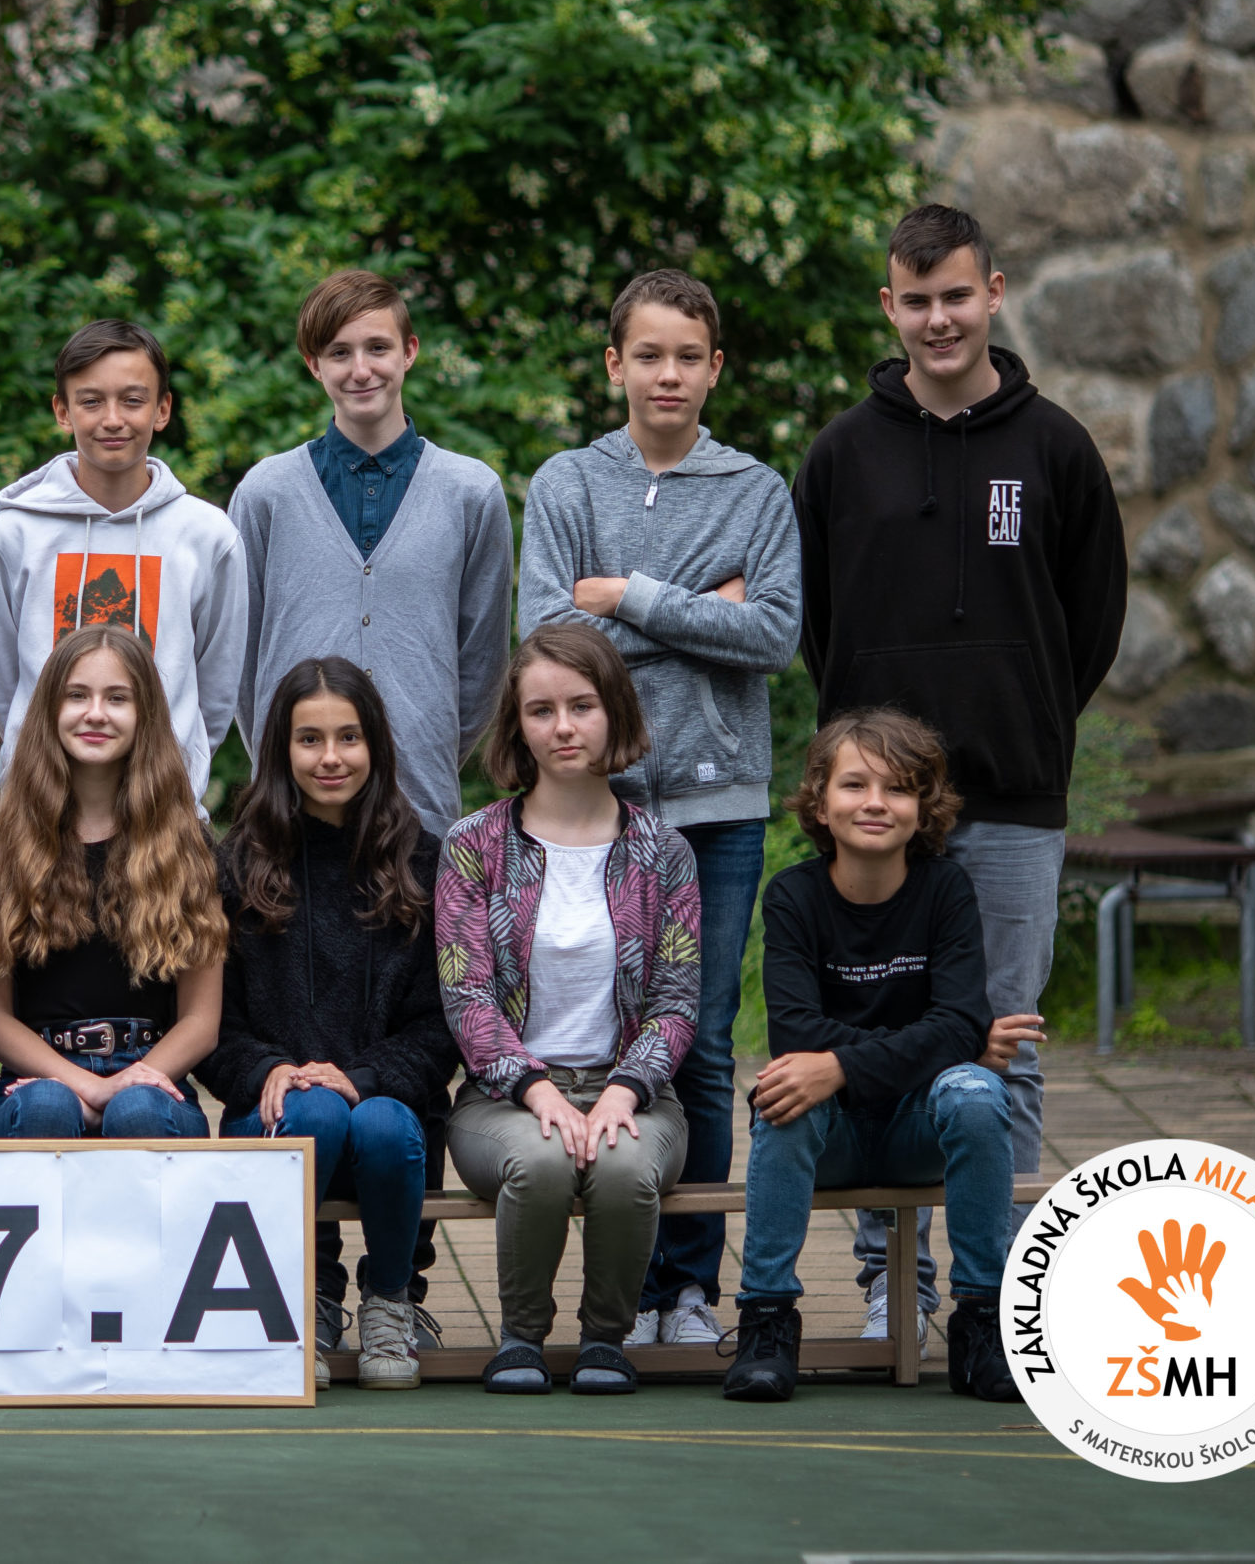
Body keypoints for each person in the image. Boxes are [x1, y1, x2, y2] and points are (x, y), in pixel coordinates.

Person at [794, 204, 1124, 1337]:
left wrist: (1022, 713)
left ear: (994, 293)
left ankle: (1010, 1290)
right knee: (870, 1039)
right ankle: (895, 1284)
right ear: (890, 307)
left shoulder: (1056, 449)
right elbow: (820, 623)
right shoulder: (841, 455)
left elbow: (1092, 619)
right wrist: (869, 764)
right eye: (917, 300)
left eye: (956, 296)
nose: (939, 319)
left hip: (1011, 797)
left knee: (1005, 1044)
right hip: (873, 808)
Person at [518, 269, 800, 1349]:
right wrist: (699, 609)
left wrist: (624, 595)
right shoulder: (567, 482)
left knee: (701, 1046)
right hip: (594, 807)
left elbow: (772, 636)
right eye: (648, 355)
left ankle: (686, 1289)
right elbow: (546, 639)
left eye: (687, 356)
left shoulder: (756, 491)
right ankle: (618, 1290)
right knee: (599, 1036)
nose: (667, 375)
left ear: (714, 368)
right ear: (615, 365)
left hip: (717, 808)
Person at [723, 708, 1032, 1405]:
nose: (875, 802)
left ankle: (983, 1322)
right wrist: (942, 1041)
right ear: (820, 803)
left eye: (897, 788)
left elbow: (958, 1022)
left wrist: (843, 1064)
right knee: (781, 1094)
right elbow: (797, 1032)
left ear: (923, 808)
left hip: (918, 1129)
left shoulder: (945, 888)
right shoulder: (793, 895)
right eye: (855, 784)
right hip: (829, 1132)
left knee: (976, 1094)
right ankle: (766, 1321)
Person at [436, 624, 698, 1396]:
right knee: (543, 1157)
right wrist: (537, 1089)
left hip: (636, 1093)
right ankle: (521, 1337)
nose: (563, 727)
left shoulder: (665, 851)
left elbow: (676, 1002)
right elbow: (466, 994)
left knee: (622, 1165)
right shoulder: (474, 844)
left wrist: (623, 1091)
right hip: (502, 1099)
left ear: (614, 710)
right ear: (517, 724)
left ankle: (605, 1340)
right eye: (541, 709)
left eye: (581, 705)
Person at [204, 658, 456, 1391]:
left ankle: (391, 1298)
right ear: (280, 748)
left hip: (390, 1122)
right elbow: (213, 1026)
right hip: (276, 1117)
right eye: (309, 739)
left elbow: (442, 1025)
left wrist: (362, 1077)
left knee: (377, 1121)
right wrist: (270, 1072)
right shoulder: (237, 866)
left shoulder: (422, 862)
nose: (331, 757)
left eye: (348, 736)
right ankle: (303, 1295)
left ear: (375, 743)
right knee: (313, 1110)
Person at [229, 268, 514, 833]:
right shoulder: (266, 493)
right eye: (339, 352)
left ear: (409, 352)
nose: (361, 370)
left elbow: (483, 662)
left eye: (378, 348)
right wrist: (282, 757)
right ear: (314, 364)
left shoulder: (471, 493)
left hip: (419, 803)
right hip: (292, 809)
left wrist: (422, 747)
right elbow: (240, 658)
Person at [0, 624, 228, 1140]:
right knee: (47, 1106)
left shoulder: (187, 843)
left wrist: (128, 1084)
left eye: (117, 698)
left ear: (145, 714)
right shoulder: (2, 841)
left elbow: (201, 1021)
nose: (95, 713)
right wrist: (88, 1087)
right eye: (76, 696)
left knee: (138, 1111)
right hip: (36, 1074)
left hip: (154, 1072)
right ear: (49, 709)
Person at [0, 319, 246, 802]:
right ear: (63, 411)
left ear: (162, 409)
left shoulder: (209, 536)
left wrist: (177, 771)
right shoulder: (13, 535)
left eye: (133, 400)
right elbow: (5, 682)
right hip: (40, 804)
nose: (113, 419)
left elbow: (216, 688)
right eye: (91, 401)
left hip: (162, 807)